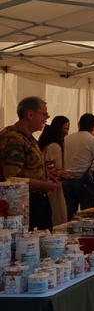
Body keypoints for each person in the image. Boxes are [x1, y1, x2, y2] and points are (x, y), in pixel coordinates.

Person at [0, 96, 59, 230]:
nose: (46, 118)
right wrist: (45, 185)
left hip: (35, 203)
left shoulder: (27, 138)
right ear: (30, 114)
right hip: (26, 205)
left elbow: (26, 167)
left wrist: (45, 172)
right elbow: (12, 181)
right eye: (44, 114)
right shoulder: (13, 139)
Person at [63, 113, 94, 218]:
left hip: (67, 180)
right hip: (85, 181)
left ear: (79, 124)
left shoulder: (67, 138)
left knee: (70, 214)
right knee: (87, 213)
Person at [37, 115, 70, 227]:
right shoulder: (55, 146)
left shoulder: (43, 144)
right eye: (66, 128)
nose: (67, 132)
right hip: (53, 185)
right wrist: (65, 173)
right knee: (57, 216)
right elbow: (58, 169)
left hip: (44, 185)